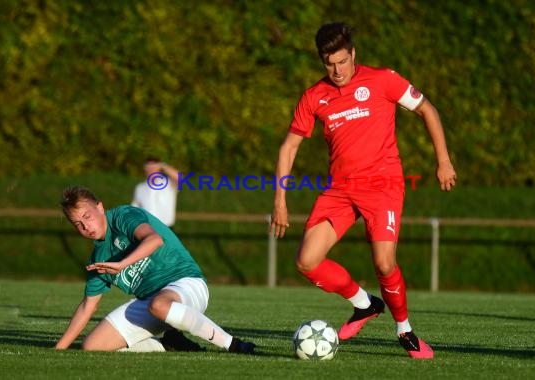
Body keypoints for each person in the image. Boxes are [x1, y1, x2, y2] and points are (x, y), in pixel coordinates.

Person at [270, 22, 456, 359]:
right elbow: (288, 149)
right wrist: (279, 201)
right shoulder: (314, 96)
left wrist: (443, 161)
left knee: (384, 264)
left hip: (382, 185)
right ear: (321, 62)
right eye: (330, 64)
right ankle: (364, 304)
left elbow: (428, 109)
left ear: (353, 54)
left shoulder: (383, 79)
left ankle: (406, 331)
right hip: (340, 190)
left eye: (343, 61)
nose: (338, 70)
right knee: (306, 260)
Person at [55, 186, 256, 354]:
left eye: (87, 216)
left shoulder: (123, 216)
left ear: (100, 207)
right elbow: (87, 307)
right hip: (152, 303)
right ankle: (167, 344)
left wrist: (122, 264)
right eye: (77, 224)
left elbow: (154, 239)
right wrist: (59, 350)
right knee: (93, 346)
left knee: (159, 304)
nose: (85, 226)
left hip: (186, 284)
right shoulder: (98, 258)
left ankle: (233, 344)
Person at [132, 158, 180, 228]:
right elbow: (135, 208)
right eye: (149, 168)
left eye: (153, 167)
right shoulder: (140, 188)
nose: (151, 170)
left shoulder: (169, 184)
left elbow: (180, 178)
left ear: (159, 168)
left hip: (166, 228)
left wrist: (163, 166)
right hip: (147, 229)